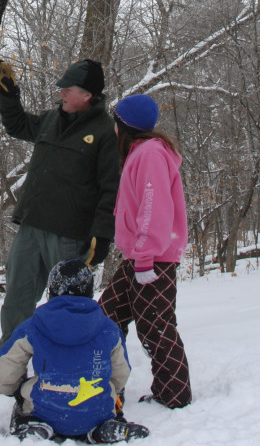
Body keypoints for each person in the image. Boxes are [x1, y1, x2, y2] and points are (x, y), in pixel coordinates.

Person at [0, 56, 120, 350]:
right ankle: (10, 358)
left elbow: (111, 189)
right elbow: (17, 125)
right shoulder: (51, 119)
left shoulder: (104, 132)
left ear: (87, 95)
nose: (60, 92)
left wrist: (102, 236)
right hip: (31, 224)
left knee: (66, 303)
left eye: (67, 89)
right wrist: (9, 94)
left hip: (68, 233)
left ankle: (64, 361)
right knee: (17, 296)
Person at [98, 94, 192, 410]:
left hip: (153, 260)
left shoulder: (150, 154)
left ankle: (175, 394)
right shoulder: (140, 153)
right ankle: (99, 385)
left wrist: (146, 255)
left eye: (115, 121)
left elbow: (154, 208)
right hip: (137, 258)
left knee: (156, 325)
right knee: (105, 318)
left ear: (124, 125)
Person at [0, 257, 149, 443]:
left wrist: (12, 389)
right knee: (105, 396)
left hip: (45, 409)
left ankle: (34, 426)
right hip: (96, 410)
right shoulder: (108, 328)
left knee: (27, 396)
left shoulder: (34, 326)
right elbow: (121, 374)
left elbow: (4, 373)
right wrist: (110, 390)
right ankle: (102, 428)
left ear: (52, 290)